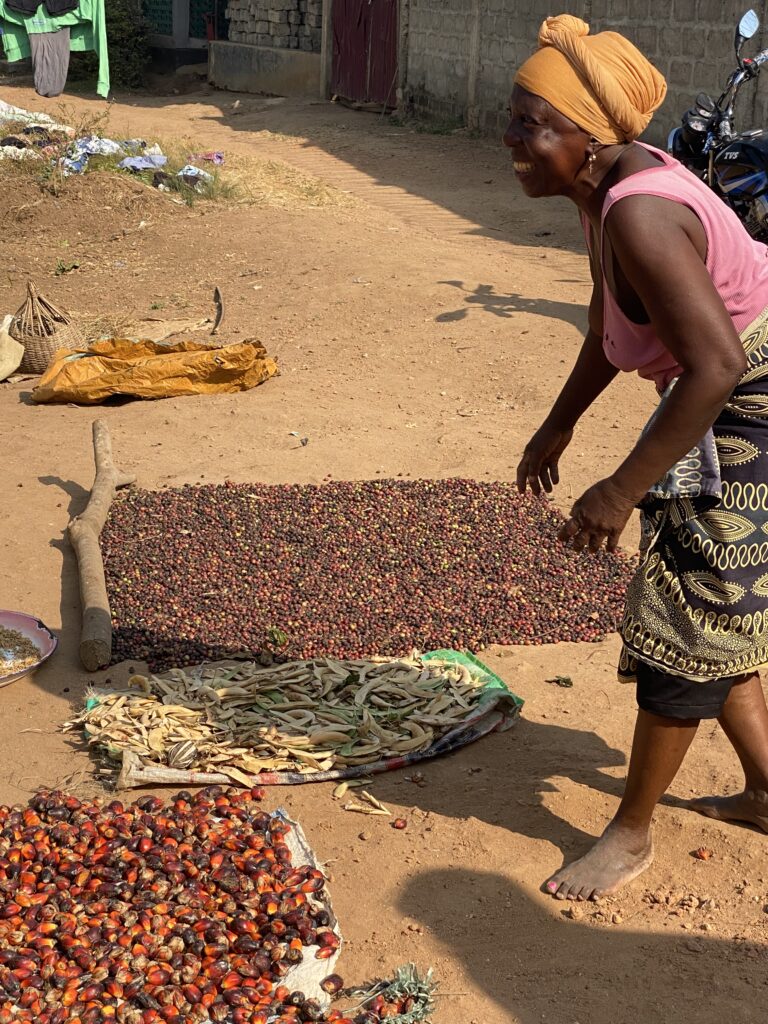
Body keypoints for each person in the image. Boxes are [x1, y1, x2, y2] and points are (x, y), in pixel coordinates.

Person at [510, 15, 768, 900]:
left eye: (535, 125)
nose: (513, 141)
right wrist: (559, 427)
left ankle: (630, 833)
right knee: (708, 597)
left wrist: (620, 489)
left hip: (749, 397)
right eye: (516, 117)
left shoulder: (642, 210)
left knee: (684, 615)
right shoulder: (605, 195)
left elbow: (719, 367)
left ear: (590, 138)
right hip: (718, 385)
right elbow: (607, 326)